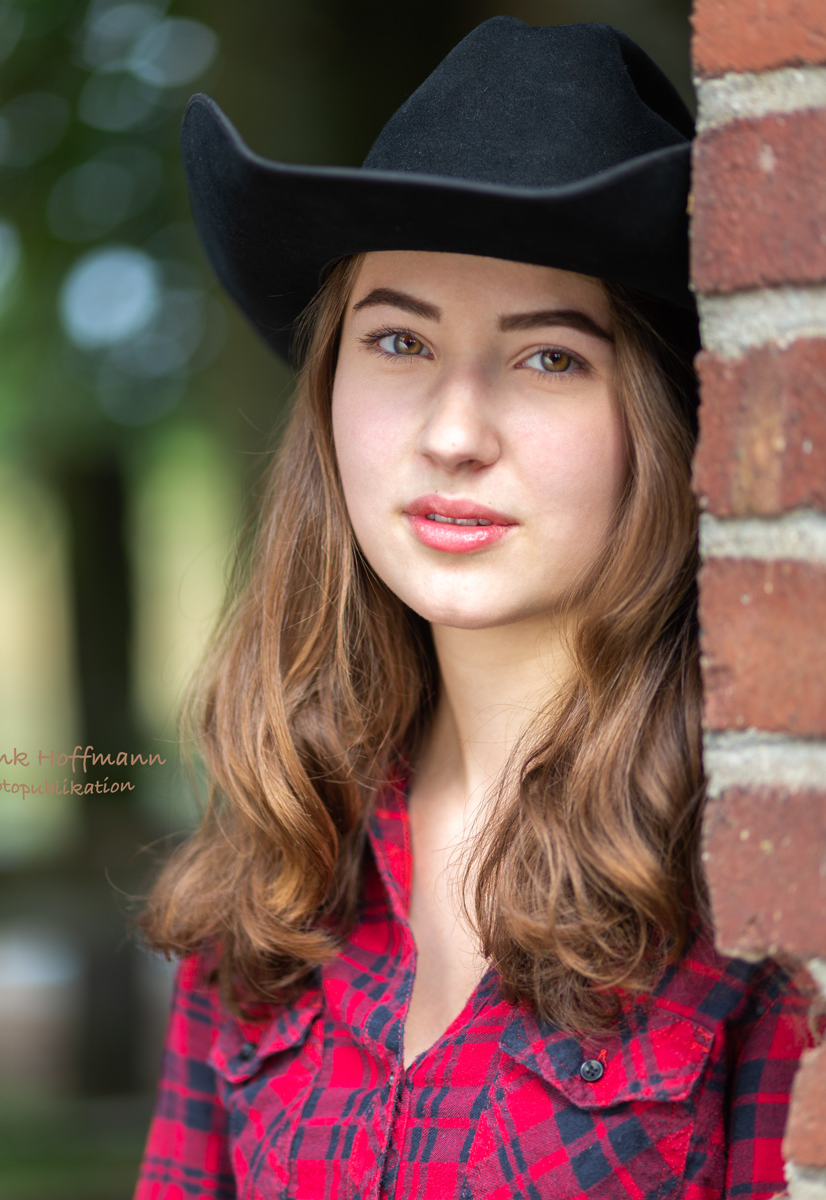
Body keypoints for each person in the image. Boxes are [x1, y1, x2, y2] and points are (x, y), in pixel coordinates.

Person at [135, 17, 812, 1200]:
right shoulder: (275, 867)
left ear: (661, 418)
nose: (453, 433)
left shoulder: (754, 880)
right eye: (398, 340)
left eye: (550, 357)